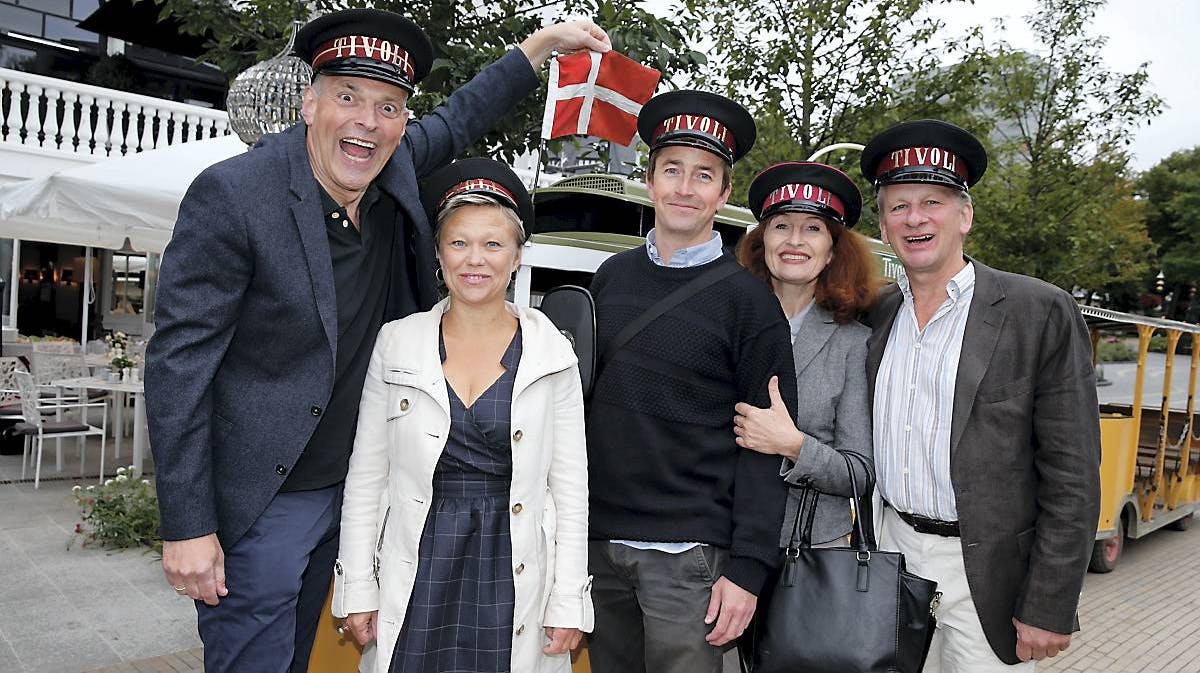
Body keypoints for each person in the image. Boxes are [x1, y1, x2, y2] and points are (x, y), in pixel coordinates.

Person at [144, 8, 609, 672]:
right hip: (266, 498)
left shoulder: (392, 173)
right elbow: (176, 367)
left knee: (310, 658)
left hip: (361, 489)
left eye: (388, 106)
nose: (367, 120)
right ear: (310, 102)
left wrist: (539, 47)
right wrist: (187, 523)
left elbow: (461, 116)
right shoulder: (235, 196)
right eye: (348, 97)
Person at [860, 119, 1102, 672]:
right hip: (891, 563)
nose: (915, 218)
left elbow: (1072, 471)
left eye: (932, 201)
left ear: (964, 215)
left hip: (988, 578)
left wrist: (1050, 603)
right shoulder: (877, 313)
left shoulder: (1036, 311)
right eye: (898, 206)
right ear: (885, 226)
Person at [333, 158, 590, 673]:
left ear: (518, 255)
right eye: (459, 242)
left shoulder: (552, 353)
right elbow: (366, 476)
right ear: (438, 252)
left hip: (511, 562)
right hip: (419, 557)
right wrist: (357, 585)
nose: (476, 259)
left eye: (493, 244)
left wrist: (567, 599)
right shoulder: (397, 343)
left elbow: (569, 489)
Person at [584, 90, 796, 673]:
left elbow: (766, 447)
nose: (684, 187)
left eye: (703, 175)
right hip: (597, 547)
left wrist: (748, 567)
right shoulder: (609, 279)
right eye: (671, 170)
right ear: (649, 180)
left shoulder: (750, 303)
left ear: (724, 194)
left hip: (689, 561)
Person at [731, 161, 877, 548]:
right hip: (719, 540)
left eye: (813, 228)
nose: (795, 240)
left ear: (832, 253)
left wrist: (793, 446)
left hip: (808, 551)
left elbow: (859, 472)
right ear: (763, 245)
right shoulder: (726, 324)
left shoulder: (853, 344)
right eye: (781, 226)